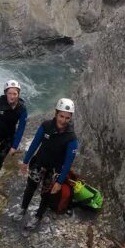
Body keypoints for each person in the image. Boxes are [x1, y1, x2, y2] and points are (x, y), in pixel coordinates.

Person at [18, 98, 79, 230]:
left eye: (67, 118)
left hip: (53, 170)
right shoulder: (46, 126)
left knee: (46, 195)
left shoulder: (71, 138)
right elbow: (35, 143)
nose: (63, 120)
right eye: (61, 116)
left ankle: (38, 216)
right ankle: (23, 209)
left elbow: (68, 162)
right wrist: (25, 161)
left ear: (71, 118)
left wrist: (60, 181)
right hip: (39, 163)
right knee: (30, 187)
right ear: (56, 113)